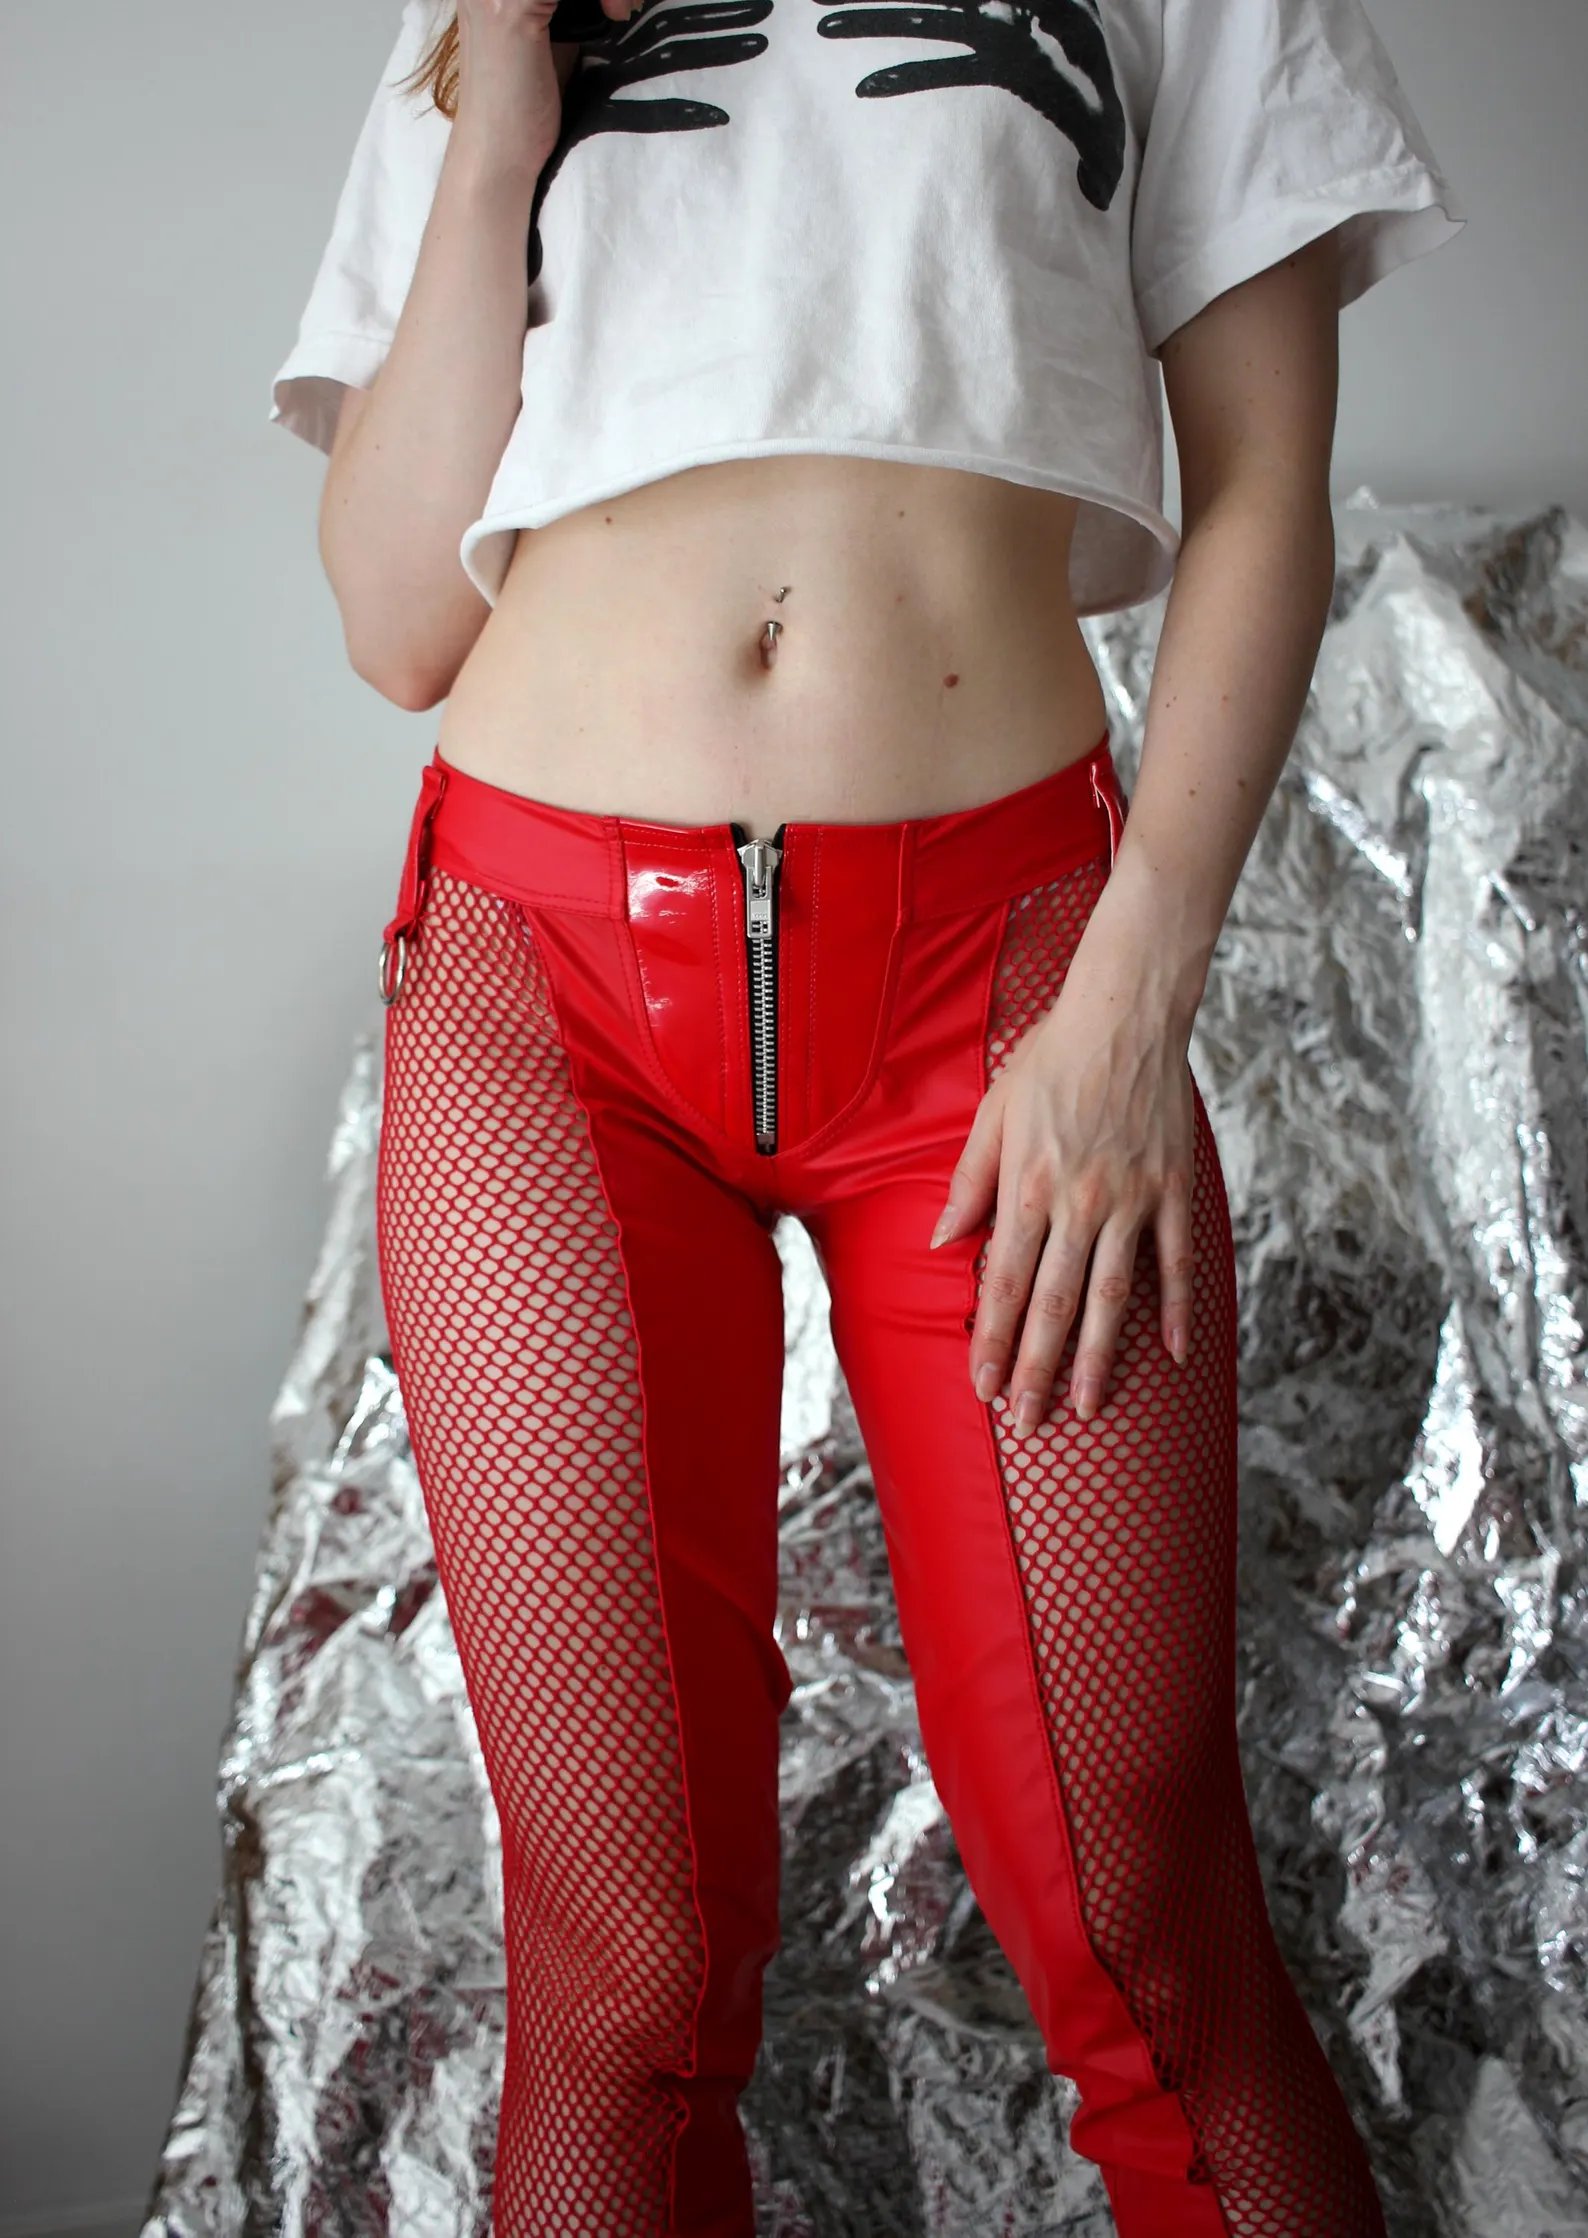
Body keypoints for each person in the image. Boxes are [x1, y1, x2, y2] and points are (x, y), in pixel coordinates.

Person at [269, 0, 1463, 2229]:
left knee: (1148, 1927)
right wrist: (499, 109)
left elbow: (1262, 492)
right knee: (618, 1974)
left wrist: (1131, 1003)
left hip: (999, 984)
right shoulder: (494, 15)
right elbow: (397, 616)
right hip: (541, 999)